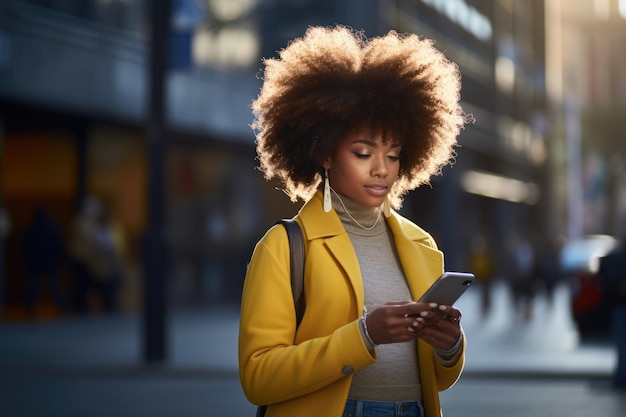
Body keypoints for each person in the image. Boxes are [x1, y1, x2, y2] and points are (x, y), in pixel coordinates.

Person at [238, 25, 469, 417]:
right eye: (363, 153)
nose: (382, 169)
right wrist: (364, 336)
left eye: (393, 155)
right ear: (325, 153)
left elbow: (435, 379)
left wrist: (448, 346)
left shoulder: (421, 245)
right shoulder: (285, 246)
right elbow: (258, 376)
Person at [22, 207, 69, 316]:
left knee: (35, 287)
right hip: (50, 263)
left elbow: (25, 246)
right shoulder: (52, 227)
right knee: (54, 287)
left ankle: (30, 307)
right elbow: (59, 245)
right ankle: (63, 307)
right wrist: (60, 260)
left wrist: (28, 260)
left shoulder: (32, 227)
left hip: (36, 263)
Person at [597, 236, 626, 389]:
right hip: (618, 305)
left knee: (621, 343)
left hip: (617, 306)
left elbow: (602, 277)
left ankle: (621, 374)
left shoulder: (613, 259)